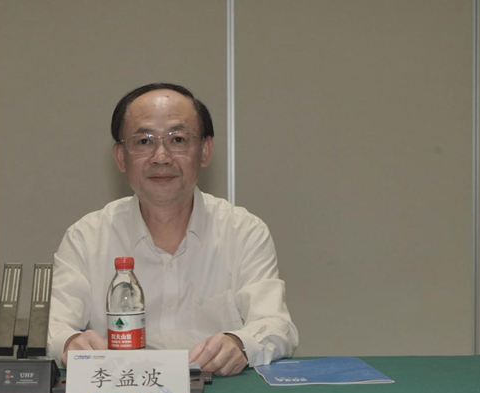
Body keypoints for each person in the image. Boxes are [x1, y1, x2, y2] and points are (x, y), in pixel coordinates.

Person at [47, 83, 298, 376]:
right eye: (144, 141)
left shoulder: (243, 232)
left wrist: (240, 343)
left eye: (178, 139)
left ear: (205, 151)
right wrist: (70, 342)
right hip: (123, 391)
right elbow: (53, 326)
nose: (161, 157)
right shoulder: (86, 238)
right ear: (120, 157)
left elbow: (277, 325)